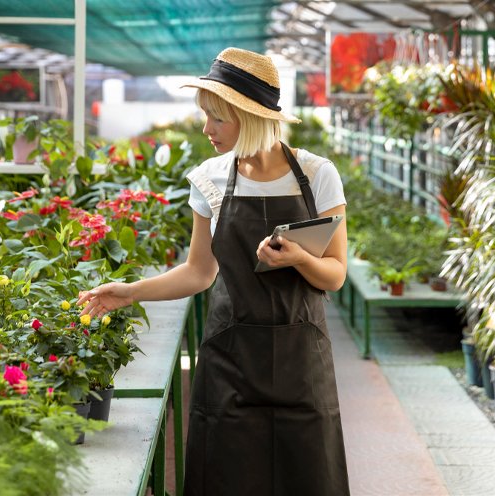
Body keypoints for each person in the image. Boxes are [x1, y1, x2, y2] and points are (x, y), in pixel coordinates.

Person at [78, 47, 350, 495]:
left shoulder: (318, 175)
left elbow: (335, 274)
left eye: (217, 118)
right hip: (231, 359)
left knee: (309, 477)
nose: (207, 129)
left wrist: (300, 259)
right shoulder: (210, 178)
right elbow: (199, 273)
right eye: (205, 116)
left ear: (251, 117)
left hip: (302, 357)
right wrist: (130, 291)